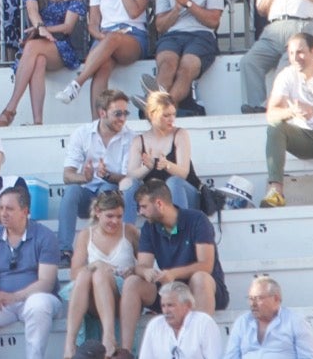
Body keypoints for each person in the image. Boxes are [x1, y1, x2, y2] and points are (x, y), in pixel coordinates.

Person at [117, 181, 228, 354]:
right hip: (169, 290)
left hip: (204, 289)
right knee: (132, 282)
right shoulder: (149, 228)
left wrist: (173, 273)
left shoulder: (197, 219)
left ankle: (197, 350)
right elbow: (142, 265)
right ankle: (125, 352)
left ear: (159, 204)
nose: (141, 212)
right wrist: (145, 271)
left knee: (200, 278)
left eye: (144, 207)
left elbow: (206, 265)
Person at [0, 186, 62, 359]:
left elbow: (46, 282)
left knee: (38, 303)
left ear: (25, 211)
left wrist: (14, 297)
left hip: (35, 299)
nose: (3, 213)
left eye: (10, 208)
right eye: (1, 208)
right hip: (2, 305)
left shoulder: (45, 236)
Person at [0, 0, 86, 127]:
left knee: (32, 46)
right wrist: (40, 27)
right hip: (40, 43)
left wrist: (43, 30)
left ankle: (10, 109)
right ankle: (38, 122)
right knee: (38, 60)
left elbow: (68, 26)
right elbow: (32, 10)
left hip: (63, 45)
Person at [55, 0, 151, 107]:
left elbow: (134, 12)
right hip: (105, 37)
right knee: (102, 68)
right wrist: (100, 36)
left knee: (114, 37)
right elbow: (93, 23)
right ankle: (97, 124)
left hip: (132, 35)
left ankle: (77, 83)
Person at [55, 90, 135, 265]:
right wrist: (84, 177)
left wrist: (107, 176)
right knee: (72, 191)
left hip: (113, 195)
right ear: (102, 113)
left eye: (125, 113)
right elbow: (67, 175)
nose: (123, 118)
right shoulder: (82, 133)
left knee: (107, 190)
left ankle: (123, 244)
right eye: (118, 113)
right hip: (88, 198)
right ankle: (64, 251)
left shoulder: (131, 138)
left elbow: (129, 180)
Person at [61, 191, 139, 359]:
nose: (115, 221)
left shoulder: (130, 231)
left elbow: (145, 265)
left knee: (99, 275)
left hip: (122, 294)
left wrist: (132, 270)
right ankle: (69, 344)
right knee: (85, 275)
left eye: (119, 216)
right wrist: (95, 264)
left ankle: (108, 338)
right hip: (93, 299)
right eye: (109, 216)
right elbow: (74, 273)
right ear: (98, 212)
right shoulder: (86, 235)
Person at [152, 0, 225, 107]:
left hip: (202, 35)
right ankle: (161, 107)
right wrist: (177, 8)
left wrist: (188, 3)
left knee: (186, 67)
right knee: (167, 64)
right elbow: (160, 26)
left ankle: (157, 107)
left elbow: (214, 21)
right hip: (172, 36)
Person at [259, 32, 313, 207]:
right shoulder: (286, 75)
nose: (295, 58)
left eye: (300, 52)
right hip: (299, 136)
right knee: (275, 126)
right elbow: (271, 113)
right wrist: (291, 112)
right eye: (291, 53)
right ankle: (276, 191)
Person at [121, 90, 203, 214]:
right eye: (166, 115)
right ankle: (127, 230)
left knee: (173, 182)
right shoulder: (139, 141)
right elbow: (131, 176)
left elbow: (184, 173)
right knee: (129, 184)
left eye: (173, 114)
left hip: (186, 194)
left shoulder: (180, 134)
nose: (172, 119)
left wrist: (167, 165)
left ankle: (178, 231)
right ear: (152, 114)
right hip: (156, 198)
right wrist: (147, 168)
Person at [224, 276, 313, 359]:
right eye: (251, 298)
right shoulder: (242, 322)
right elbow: (231, 356)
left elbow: (308, 357)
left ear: (276, 299)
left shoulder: (296, 321)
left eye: (259, 298)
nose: (253, 304)